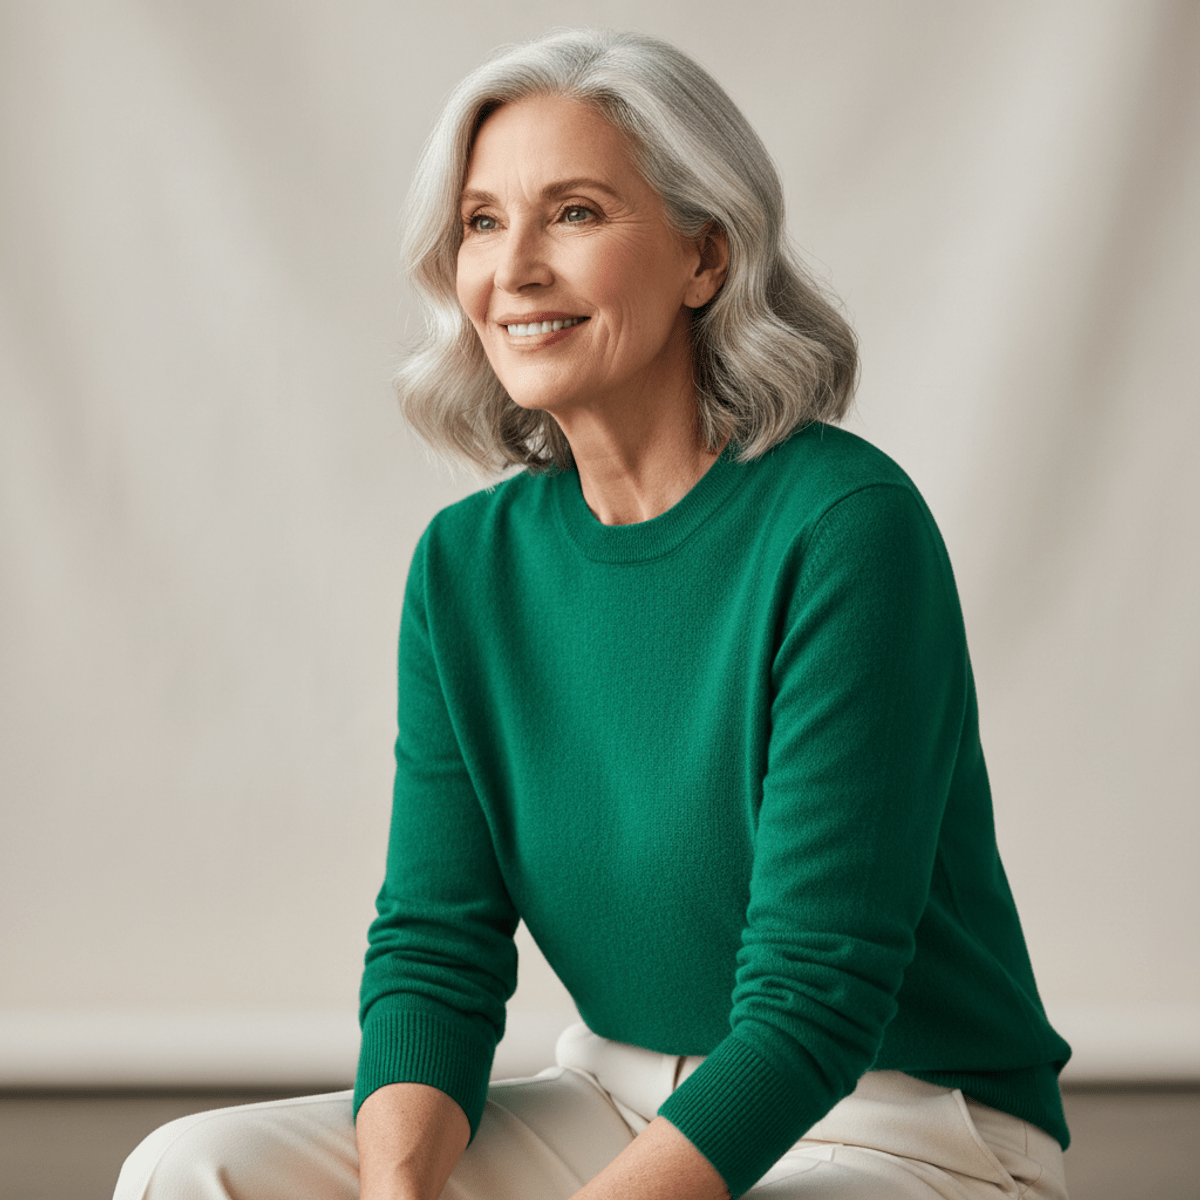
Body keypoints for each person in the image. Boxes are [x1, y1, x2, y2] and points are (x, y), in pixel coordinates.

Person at [114, 28, 1072, 1200]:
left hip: (896, 1120)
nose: (512, 269)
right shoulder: (468, 568)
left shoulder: (844, 529)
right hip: (618, 1098)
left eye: (572, 213)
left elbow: (816, 999)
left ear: (705, 256)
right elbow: (436, 948)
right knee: (190, 1167)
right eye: (480, 221)